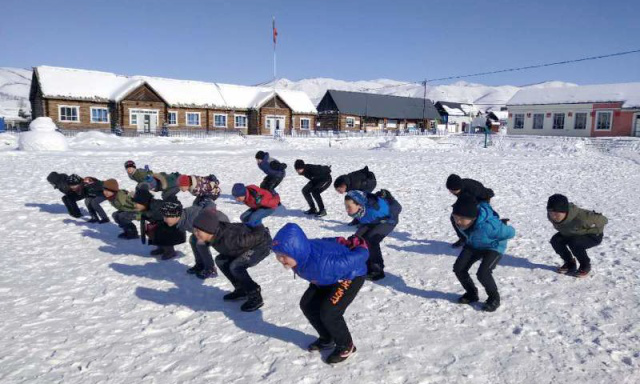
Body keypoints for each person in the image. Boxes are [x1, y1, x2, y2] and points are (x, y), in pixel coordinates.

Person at [273, 223, 368, 364]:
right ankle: (327, 338)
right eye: (278, 255)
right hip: (324, 278)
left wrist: (360, 247)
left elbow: (359, 257)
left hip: (350, 276)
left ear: (296, 251)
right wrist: (338, 240)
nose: (281, 260)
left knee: (330, 312)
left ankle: (346, 346)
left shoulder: (325, 263)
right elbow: (324, 242)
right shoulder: (303, 252)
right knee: (308, 305)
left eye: (284, 256)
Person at [192, 208, 272, 312]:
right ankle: (242, 289)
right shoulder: (213, 235)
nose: (195, 233)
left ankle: (255, 295)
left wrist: (259, 226)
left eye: (198, 231)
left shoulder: (230, 239)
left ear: (209, 230)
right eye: (195, 230)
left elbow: (257, 235)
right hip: (244, 246)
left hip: (262, 244)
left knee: (236, 266)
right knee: (221, 261)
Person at [451, 194, 515, 312]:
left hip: (493, 247)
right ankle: (471, 293)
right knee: (459, 268)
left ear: (473, 218)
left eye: (461, 218)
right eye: (455, 217)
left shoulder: (490, 227)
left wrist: (502, 226)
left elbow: (510, 233)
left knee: (483, 273)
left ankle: (494, 298)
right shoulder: (460, 221)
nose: (458, 221)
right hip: (474, 244)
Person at [161, 201, 230, 279]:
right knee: (193, 240)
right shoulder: (183, 217)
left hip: (219, 224)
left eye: (167, 217)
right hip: (207, 225)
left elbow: (210, 211)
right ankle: (200, 264)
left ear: (176, 216)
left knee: (200, 244)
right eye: (164, 217)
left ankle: (210, 269)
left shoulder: (191, 220)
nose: (165, 220)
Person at [344, 189, 402, 281]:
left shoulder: (375, 210)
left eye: (349, 207)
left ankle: (378, 270)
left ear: (359, 205)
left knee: (371, 241)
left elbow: (398, 208)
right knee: (357, 239)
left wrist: (390, 201)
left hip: (388, 221)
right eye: (345, 206)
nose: (346, 209)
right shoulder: (362, 209)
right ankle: (361, 264)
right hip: (374, 220)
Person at [547, 194, 608, 278]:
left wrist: (592, 228)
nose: (553, 216)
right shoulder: (551, 216)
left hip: (592, 235)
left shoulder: (583, 218)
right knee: (555, 241)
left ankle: (585, 265)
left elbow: (604, 220)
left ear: (565, 211)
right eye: (551, 213)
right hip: (571, 233)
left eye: (557, 214)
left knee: (575, 243)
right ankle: (570, 263)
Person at [446, 174, 495, 248]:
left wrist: (480, 209)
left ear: (458, 187)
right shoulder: (458, 186)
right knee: (454, 218)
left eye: (453, 190)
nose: (451, 192)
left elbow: (487, 194)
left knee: (474, 221)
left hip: (481, 200)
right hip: (467, 200)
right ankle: (463, 238)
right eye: (450, 190)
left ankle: (479, 241)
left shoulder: (473, 188)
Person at [133, 189, 183, 259]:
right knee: (151, 230)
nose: (135, 205)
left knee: (161, 231)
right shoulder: (147, 207)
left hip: (174, 225)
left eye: (137, 203)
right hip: (163, 223)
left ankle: (170, 251)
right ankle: (161, 248)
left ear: (143, 202)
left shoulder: (155, 206)